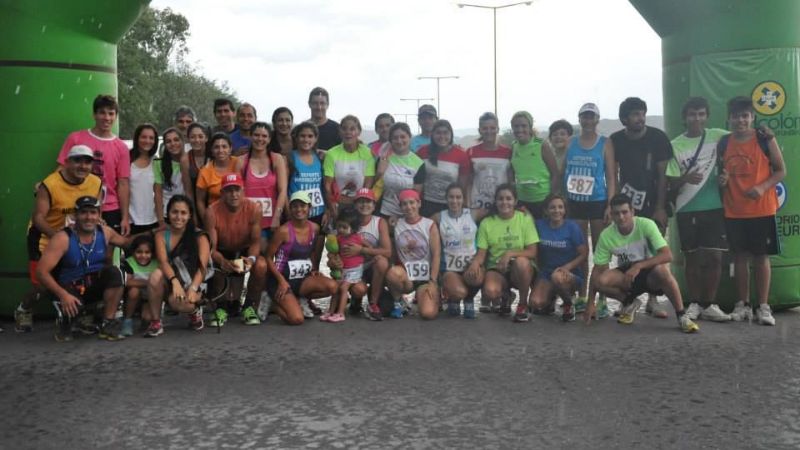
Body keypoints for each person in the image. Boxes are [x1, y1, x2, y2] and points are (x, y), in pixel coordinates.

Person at [15, 145, 102, 333]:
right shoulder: (50, 184)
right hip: (44, 236)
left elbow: (94, 212)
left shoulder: (95, 183)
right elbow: (38, 217)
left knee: (83, 277)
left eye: (87, 162)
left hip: (75, 238)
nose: (83, 166)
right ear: (67, 162)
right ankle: (24, 309)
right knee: (43, 284)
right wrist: (60, 239)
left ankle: (81, 315)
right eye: (77, 160)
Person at [586, 194, 699, 333]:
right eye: (616, 213)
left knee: (663, 271)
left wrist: (639, 266)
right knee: (600, 280)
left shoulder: (646, 224)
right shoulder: (606, 235)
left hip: (651, 274)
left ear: (632, 212)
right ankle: (630, 303)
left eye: (624, 212)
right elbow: (597, 269)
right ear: (612, 215)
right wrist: (590, 303)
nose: (621, 217)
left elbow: (667, 255)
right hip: (628, 276)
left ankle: (682, 316)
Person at [718, 96, 786, 326]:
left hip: (762, 208)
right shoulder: (724, 143)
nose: (741, 121)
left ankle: (763, 307)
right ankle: (742, 304)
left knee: (761, 257)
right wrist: (723, 180)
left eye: (745, 116)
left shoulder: (764, 138)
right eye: (736, 116)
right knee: (739, 258)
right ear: (729, 118)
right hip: (734, 210)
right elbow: (721, 174)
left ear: (752, 117)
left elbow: (780, 170)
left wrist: (762, 187)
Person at [665, 96, 731, 322]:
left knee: (714, 258)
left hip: (713, 206)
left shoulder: (718, 136)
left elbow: (743, 137)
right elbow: (669, 182)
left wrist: (766, 134)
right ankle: (693, 303)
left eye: (701, 114)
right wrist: (686, 177)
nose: (697, 118)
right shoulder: (675, 145)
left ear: (707, 116)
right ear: (684, 118)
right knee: (692, 259)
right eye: (692, 114)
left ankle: (709, 304)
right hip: (686, 208)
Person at [610, 97, 674, 318]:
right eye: (635, 114)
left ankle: (654, 300)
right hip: (627, 205)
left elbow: (663, 175)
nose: (640, 118)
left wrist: (660, 207)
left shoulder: (658, 138)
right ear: (624, 119)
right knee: (627, 251)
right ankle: (629, 298)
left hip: (653, 201)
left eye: (642, 113)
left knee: (653, 251)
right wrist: (615, 205)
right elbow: (613, 174)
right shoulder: (616, 140)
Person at [36, 196, 132, 342]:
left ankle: (108, 324)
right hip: (69, 288)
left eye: (93, 213)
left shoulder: (105, 232)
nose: (89, 217)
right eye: (84, 213)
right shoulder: (63, 238)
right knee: (73, 311)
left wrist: (155, 236)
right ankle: (65, 322)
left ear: (99, 215)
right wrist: (63, 295)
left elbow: (129, 243)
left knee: (115, 273)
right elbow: (41, 272)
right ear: (75, 215)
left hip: (93, 284)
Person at [562, 103, 616, 317]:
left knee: (601, 253)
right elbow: (562, 171)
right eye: (584, 117)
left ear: (596, 120)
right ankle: (583, 295)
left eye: (591, 117)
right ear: (579, 119)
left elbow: (611, 176)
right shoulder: (570, 142)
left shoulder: (605, 143)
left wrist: (611, 204)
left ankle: (601, 297)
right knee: (581, 252)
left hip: (597, 201)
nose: (587, 120)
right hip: (575, 202)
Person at [56, 94, 131, 235]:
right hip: (77, 205)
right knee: (75, 250)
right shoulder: (76, 138)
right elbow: (61, 170)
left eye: (111, 113)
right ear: (94, 115)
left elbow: (123, 183)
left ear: (115, 116)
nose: (107, 118)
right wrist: (45, 188)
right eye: (102, 112)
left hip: (109, 207)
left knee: (105, 253)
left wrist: (125, 217)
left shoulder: (121, 147)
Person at [465, 184, 538, 322]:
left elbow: (532, 252)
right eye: (501, 199)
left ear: (515, 201)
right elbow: (481, 254)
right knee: (491, 291)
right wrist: (475, 264)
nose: (505, 202)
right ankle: (506, 295)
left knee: (521, 262)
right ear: (496, 201)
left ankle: (523, 304)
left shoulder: (524, 219)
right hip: (497, 268)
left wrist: (510, 254)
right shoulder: (487, 223)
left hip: (521, 269)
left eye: (509, 199)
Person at [204, 173, 270, 327]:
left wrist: (251, 260)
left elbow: (255, 242)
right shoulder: (211, 211)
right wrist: (222, 261)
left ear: (243, 190)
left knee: (261, 265)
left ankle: (249, 307)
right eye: (229, 190)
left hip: (244, 249)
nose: (233, 194)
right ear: (222, 193)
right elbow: (211, 248)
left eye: (237, 190)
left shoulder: (254, 209)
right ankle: (220, 307)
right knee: (212, 263)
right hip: (221, 250)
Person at [265, 191, 338, 324]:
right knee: (296, 319)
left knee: (333, 286)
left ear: (309, 208)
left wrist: (313, 269)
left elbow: (310, 252)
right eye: (295, 206)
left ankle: (299, 298)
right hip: (281, 280)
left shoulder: (315, 228)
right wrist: (281, 281)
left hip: (302, 279)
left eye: (303, 206)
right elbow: (268, 257)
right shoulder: (283, 231)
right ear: (291, 209)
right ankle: (273, 305)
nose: (299, 209)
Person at [143, 195, 211, 337]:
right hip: (171, 279)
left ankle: (194, 312)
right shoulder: (161, 236)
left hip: (193, 281)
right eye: (175, 212)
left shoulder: (199, 236)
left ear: (189, 215)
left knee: (177, 303)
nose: (178, 217)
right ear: (168, 213)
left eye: (183, 213)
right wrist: (174, 282)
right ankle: (156, 322)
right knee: (155, 275)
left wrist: (193, 288)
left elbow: (202, 268)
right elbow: (163, 262)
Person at [384, 189, 441, 319]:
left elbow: (437, 254)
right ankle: (399, 302)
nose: (409, 207)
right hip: (406, 276)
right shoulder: (396, 224)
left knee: (428, 314)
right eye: (404, 204)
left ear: (419, 203)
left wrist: (433, 281)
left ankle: (436, 297)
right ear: (400, 207)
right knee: (392, 273)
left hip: (425, 277)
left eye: (412, 203)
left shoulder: (429, 225)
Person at [530, 194, 587, 322]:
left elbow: (584, 254)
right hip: (547, 272)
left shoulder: (572, 227)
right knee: (535, 302)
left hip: (569, 273)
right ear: (546, 210)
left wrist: (568, 267)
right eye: (552, 207)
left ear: (565, 210)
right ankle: (551, 299)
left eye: (560, 207)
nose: (557, 211)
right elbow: (527, 221)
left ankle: (568, 303)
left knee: (557, 277)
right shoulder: (539, 225)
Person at [431, 184, 483, 319]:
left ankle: (469, 299)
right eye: (451, 197)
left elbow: (497, 210)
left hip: (470, 265)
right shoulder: (438, 217)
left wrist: (522, 209)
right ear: (446, 199)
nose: (455, 201)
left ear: (463, 198)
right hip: (449, 268)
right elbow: (419, 223)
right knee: (458, 292)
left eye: (458, 197)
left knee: (477, 278)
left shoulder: (473, 213)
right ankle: (454, 298)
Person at [242, 122, 289, 248]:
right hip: (249, 220)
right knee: (257, 260)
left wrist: (277, 217)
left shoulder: (277, 159)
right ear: (250, 136)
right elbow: (238, 192)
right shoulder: (241, 161)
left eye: (264, 136)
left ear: (269, 139)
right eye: (256, 135)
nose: (260, 139)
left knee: (269, 259)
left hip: (272, 219)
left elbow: (282, 190)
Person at [509, 111, 560, 219]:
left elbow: (555, 173)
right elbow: (512, 173)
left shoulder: (541, 145)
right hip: (522, 200)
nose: (520, 129)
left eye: (524, 126)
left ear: (530, 127)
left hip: (542, 199)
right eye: (516, 126)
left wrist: (551, 198)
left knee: (542, 233)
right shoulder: (513, 146)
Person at [416, 120, 472, 217]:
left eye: (445, 133)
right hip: (426, 204)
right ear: (432, 135)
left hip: (451, 205)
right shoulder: (422, 152)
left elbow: (463, 186)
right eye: (438, 133)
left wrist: (464, 204)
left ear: (451, 135)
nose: (442, 136)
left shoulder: (461, 155)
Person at [321, 206, 367, 323]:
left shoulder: (357, 238)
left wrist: (361, 250)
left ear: (354, 228)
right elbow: (333, 252)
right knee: (336, 287)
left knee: (343, 287)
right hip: (344, 269)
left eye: (344, 227)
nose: (341, 229)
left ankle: (340, 313)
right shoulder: (339, 238)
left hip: (355, 270)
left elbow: (368, 248)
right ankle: (330, 311)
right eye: (339, 226)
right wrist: (332, 258)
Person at [323, 115, 375, 217]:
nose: (348, 132)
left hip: (359, 203)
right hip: (337, 203)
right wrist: (331, 204)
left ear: (359, 132)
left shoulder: (368, 153)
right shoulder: (331, 154)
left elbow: (368, 182)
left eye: (352, 129)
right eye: (344, 129)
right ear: (339, 131)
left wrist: (360, 201)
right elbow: (327, 185)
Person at [376, 122, 424, 219]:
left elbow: (416, 194)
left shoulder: (419, 163)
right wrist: (379, 173)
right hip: (383, 212)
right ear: (390, 140)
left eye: (403, 137)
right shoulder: (383, 158)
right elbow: (374, 185)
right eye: (395, 138)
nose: (399, 141)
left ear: (409, 138)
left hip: (407, 214)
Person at [467, 112, 513, 212]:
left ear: (497, 129)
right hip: (477, 206)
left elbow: (511, 181)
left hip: (501, 206)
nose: (489, 131)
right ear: (479, 130)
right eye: (485, 128)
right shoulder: (471, 152)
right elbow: (468, 182)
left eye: (492, 128)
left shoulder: (508, 152)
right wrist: (468, 204)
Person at [195, 132, 243, 222]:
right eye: (216, 147)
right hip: (215, 218)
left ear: (230, 149)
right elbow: (200, 200)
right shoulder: (205, 171)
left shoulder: (239, 163)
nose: (221, 150)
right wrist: (206, 221)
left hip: (239, 216)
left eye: (224, 146)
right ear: (212, 150)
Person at [120, 234, 158, 336]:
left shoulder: (156, 263)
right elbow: (127, 282)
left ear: (152, 253)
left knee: (147, 318)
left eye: (147, 252)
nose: (143, 256)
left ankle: (147, 320)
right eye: (139, 252)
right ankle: (127, 320)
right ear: (133, 252)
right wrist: (148, 283)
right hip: (136, 294)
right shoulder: (130, 262)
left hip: (151, 296)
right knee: (133, 292)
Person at [288, 122, 325, 227]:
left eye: (310, 136)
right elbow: (283, 188)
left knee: (319, 242)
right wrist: (287, 212)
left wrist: (327, 210)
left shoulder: (320, 157)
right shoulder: (289, 158)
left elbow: (324, 187)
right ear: (296, 138)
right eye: (302, 136)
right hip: (296, 213)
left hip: (318, 212)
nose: (306, 139)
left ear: (316, 138)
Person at [154, 128, 193, 227]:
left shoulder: (191, 160)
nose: (173, 144)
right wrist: (161, 220)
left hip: (186, 213)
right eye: (168, 141)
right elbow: (158, 194)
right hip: (168, 214)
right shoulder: (159, 164)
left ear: (182, 141)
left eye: (176, 140)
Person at [128, 123, 159, 234]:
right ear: (137, 138)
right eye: (144, 137)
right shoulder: (127, 159)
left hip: (152, 219)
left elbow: (158, 191)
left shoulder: (156, 161)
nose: (147, 141)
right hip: (131, 219)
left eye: (151, 138)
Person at [187, 122, 210, 199]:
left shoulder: (214, 155)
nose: (197, 140)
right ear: (188, 139)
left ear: (206, 138)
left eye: (200, 136)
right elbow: (188, 190)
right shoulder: (185, 159)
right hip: (195, 200)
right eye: (192, 137)